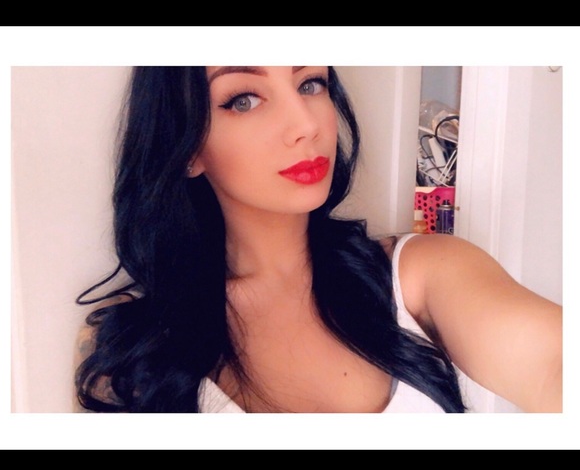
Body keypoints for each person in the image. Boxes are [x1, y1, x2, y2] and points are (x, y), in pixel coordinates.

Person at [75, 66, 562, 414]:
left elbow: (554, 364)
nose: (306, 126)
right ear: (187, 146)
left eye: (310, 84)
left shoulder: (420, 273)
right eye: (243, 99)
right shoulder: (130, 345)